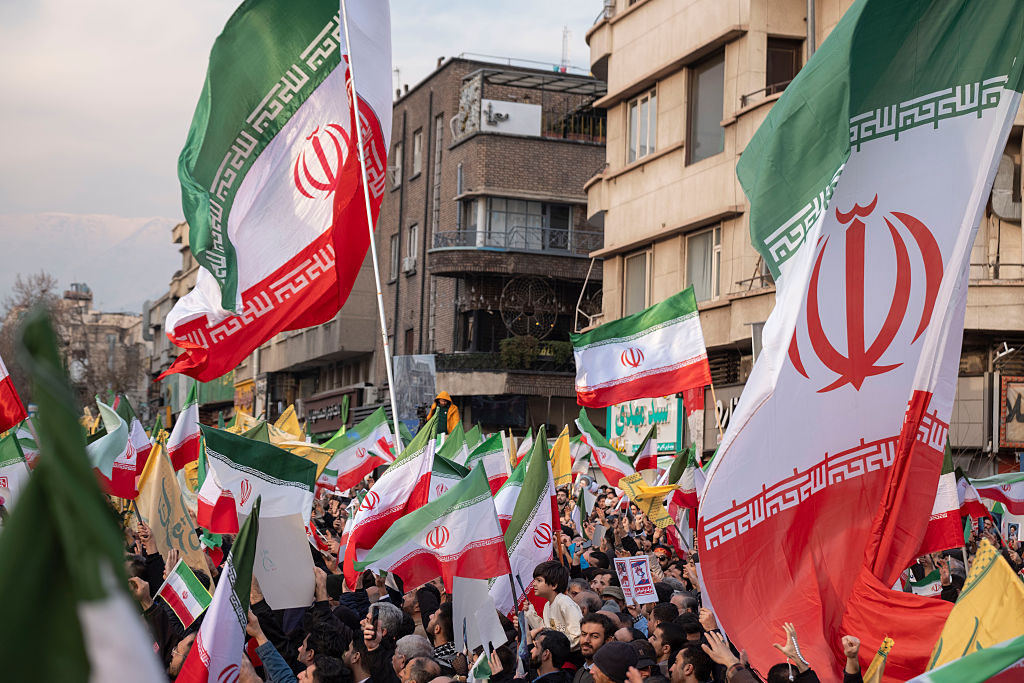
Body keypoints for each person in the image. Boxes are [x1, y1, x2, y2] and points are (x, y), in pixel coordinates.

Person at [531, 560, 584, 649]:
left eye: (539, 580)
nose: (534, 584)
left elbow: (577, 634)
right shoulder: (547, 605)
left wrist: (558, 649)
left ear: (554, 585)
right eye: (534, 580)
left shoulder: (564, 602)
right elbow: (547, 631)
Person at [573, 613, 617, 683]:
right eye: (584, 634)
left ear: (608, 640)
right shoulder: (580, 672)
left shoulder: (607, 677)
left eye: (594, 636)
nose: (586, 640)